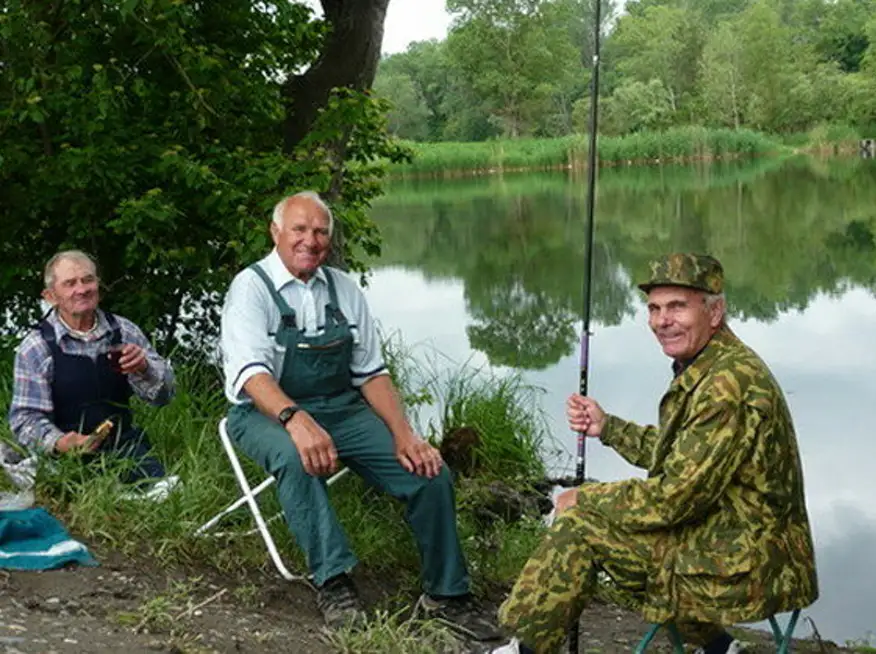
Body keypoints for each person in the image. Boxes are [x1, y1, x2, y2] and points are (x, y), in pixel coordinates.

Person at [490, 253, 819, 654]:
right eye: (655, 309)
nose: (663, 321)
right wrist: (608, 427)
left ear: (714, 312)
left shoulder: (724, 386)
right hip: (740, 541)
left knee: (579, 527)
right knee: (616, 524)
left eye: (678, 307)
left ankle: (524, 650)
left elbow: (674, 498)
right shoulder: (714, 364)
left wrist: (584, 497)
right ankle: (718, 649)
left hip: (750, 564)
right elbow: (683, 458)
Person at [218, 190, 499, 639]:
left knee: (429, 471)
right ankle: (333, 581)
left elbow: (370, 372)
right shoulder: (250, 288)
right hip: (264, 414)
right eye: (299, 229)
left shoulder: (344, 289)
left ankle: (446, 593)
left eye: (320, 231)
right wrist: (296, 420)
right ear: (275, 232)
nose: (310, 240)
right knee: (296, 458)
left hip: (343, 410)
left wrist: (405, 433)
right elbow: (251, 375)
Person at [8, 250, 176, 490]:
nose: (82, 289)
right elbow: (24, 419)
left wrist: (145, 368)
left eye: (88, 280)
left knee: (162, 492)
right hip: (63, 462)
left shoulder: (124, 332)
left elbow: (166, 396)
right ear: (51, 296)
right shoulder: (36, 347)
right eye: (70, 283)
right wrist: (58, 442)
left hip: (124, 448)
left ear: (98, 284)